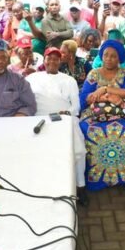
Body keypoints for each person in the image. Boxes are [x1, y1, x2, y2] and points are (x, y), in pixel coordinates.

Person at [79, 39, 125, 197]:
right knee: (88, 129)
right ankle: (97, 177)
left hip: (123, 113)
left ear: (119, 58)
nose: (109, 59)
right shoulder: (94, 73)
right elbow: (85, 98)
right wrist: (108, 98)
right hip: (96, 114)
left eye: (113, 56)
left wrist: (105, 89)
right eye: (106, 55)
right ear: (102, 56)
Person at [25, 47, 88, 205]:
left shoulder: (69, 80)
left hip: (65, 119)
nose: (52, 61)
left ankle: (81, 187)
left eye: (56, 59)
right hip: (39, 120)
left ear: (60, 61)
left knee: (78, 150)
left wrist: (67, 113)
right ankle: (46, 186)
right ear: (44, 60)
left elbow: (76, 107)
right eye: (49, 58)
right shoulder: (32, 78)